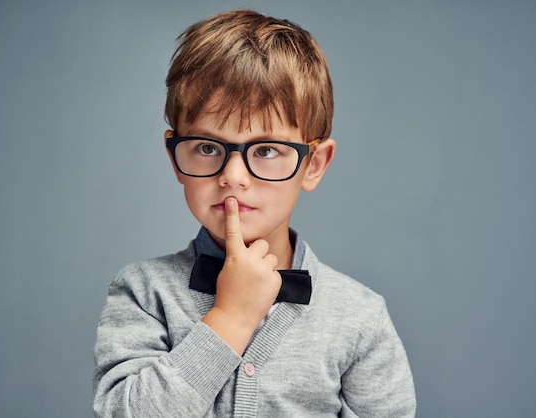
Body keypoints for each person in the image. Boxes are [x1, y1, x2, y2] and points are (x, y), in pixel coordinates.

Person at [93, 9, 416, 417]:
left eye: (265, 150)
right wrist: (230, 317)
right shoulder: (143, 292)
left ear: (312, 165)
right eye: (208, 147)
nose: (233, 176)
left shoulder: (360, 317)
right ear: (176, 157)